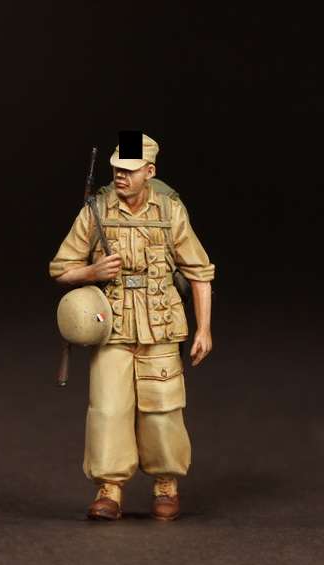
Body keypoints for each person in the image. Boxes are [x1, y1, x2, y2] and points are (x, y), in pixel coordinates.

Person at [49, 133, 215, 520]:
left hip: (160, 324)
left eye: (129, 169)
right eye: (116, 169)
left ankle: (166, 486)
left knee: (163, 410)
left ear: (149, 171)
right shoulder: (95, 210)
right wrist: (91, 273)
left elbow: (200, 272)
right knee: (108, 410)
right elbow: (60, 268)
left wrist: (204, 329)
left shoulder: (170, 211)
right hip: (113, 326)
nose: (120, 176)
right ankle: (109, 489)